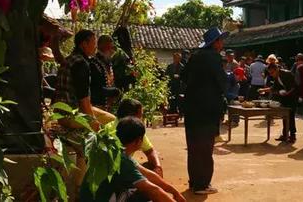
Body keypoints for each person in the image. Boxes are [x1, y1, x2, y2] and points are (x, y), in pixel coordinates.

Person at [80, 116, 185, 202]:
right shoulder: (122, 160)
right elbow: (153, 190)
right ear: (138, 140)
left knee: (141, 185)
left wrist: (174, 191)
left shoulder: (115, 150)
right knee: (144, 190)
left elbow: (148, 174)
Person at [183, 27, 228, 195]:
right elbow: (221, 82)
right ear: (215, 43)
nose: (222, 43)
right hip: (207, 110)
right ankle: (202, 185)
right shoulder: (214, 57)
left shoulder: (195, 56)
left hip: (192, 108)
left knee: (193, 146)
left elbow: (183, 76)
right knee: (205, 147)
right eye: (220, 40)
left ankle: (194, 181)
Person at [55, 29, 116, 130]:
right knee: (112, 122)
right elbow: (83, 98)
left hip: (61, 111)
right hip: (70, 114)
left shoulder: (70, 59)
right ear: (84, 44)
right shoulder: (81, 63)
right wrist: (93, 121)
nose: (96, 47)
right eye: (94, 43)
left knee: (107, 118)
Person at [116, 98, 165, 177]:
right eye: (140, 116)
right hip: (116, 173)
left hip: (123, 168)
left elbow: (150, 150)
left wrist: (157, 167)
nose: (141, 119)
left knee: (152, 168)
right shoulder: (112, 131)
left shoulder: (133, 128)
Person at [260, 63, 298, 143]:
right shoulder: (277, 77)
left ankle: (293, 135)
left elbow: (294, 86)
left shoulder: (287, 74)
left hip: (292, 98)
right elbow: (274, 88)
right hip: (285, 98)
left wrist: (287, 93)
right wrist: (264, 90)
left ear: (277, 69)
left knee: (291, 116)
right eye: (270, 73)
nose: (271, 74)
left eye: (272, 72)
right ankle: (285, 135)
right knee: (285, 116)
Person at [91, 35, 121, 111]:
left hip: (106, 106)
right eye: (109, 47)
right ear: (101, 46)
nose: (112, 51)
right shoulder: (94, 63)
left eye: (112, 47)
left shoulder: (108, 62)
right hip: (96, 106)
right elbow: (95, 89)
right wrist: (114, 91)